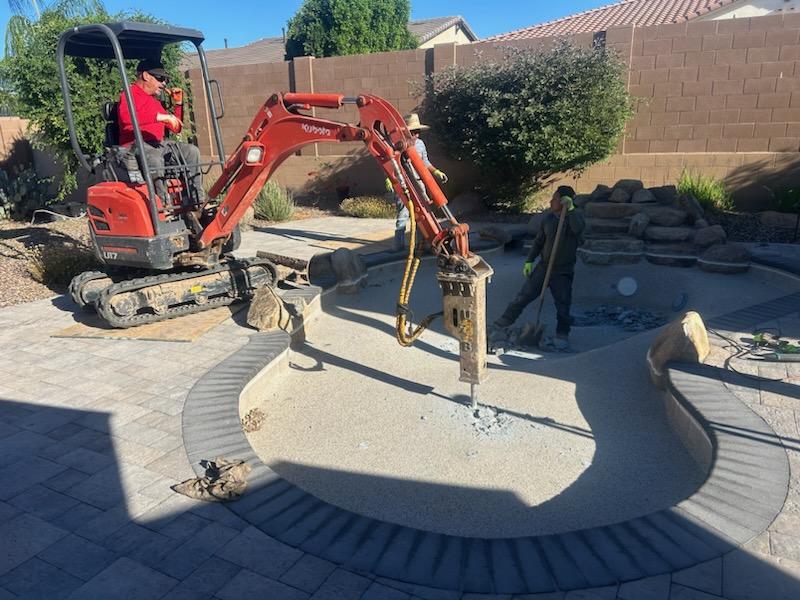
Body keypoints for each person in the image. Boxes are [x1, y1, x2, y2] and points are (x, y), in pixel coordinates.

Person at [492, 186, 585, 347]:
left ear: (564, 201)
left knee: (563, 304)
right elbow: (539, 242)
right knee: (523, 296)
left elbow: (580, 233)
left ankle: (562, 334)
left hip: (563, 271)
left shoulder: (575, 218)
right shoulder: (548, 219)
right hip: (543, 267)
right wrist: (530, 260)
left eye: (555, 199)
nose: (551, 201)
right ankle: (503, 322)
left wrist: (570, 211)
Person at [117, 59, 203, 204]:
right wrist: (161, 117)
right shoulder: (129, 94)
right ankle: (163, 206)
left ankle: (196, 202)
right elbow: (126, 118)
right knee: (154, 159)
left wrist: (178, 104)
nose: (164, 83)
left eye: (166, 80)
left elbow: (176, 128)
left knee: (191, 151)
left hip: (157, 145)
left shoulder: (154, 101)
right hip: (133, 147)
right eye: (160, 78)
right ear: (146, 75)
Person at [388, 113, 448, 251]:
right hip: (403, 183)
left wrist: (436, 171)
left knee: (423, 214)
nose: (416, 135)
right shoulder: (397, 145)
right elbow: (391, 163)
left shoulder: (420, 145)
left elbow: (425, 162)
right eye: (413, 132)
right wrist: (389, 179)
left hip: (419, 183)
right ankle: (398, 247)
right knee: (403, 216)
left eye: (418, 132)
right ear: (406, 132)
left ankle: (422, 244)